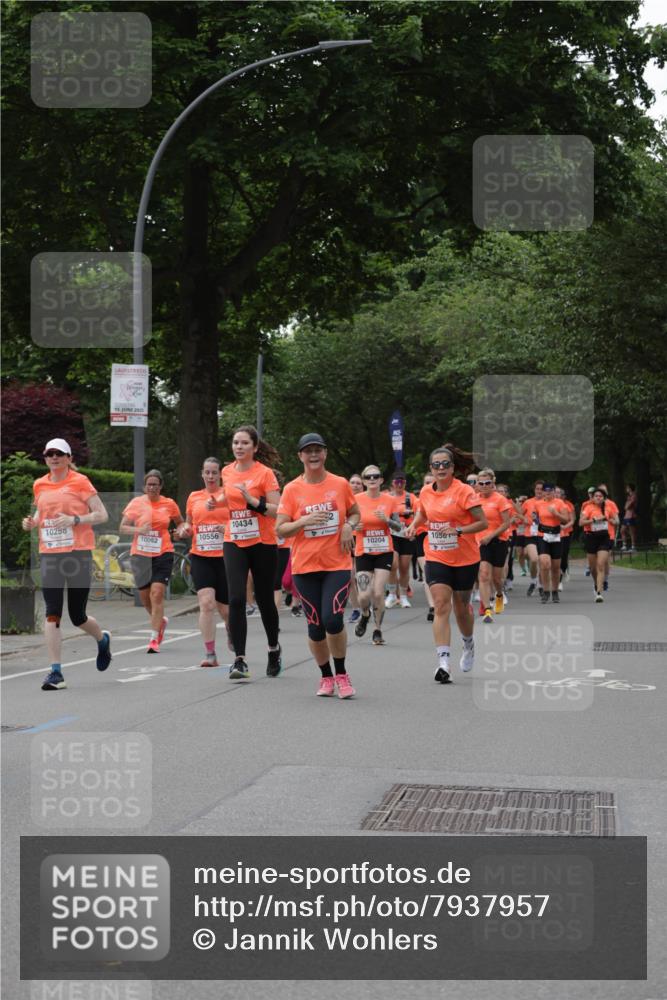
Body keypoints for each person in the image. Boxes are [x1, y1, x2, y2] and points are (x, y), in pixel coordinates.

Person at [22, 439, 113, 691]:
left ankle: (102, 638)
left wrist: (75, 519)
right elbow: (42, 513)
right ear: (45, 458)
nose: (54, 458)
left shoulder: (81, 482)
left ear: (69, 457)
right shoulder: (39, 484)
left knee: (77, 616)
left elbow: (102, 514)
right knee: (53, 611)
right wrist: (33, 522)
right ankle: (55, 672)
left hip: (78, 554)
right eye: (49, 454)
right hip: (50, 554)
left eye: (59, 454)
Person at [276, 433, 360, 699]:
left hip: (337, 562)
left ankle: (342, 674)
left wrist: (349, 525)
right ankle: (326, 677)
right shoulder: (292, 489)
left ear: (325, 454)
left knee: (333, 620)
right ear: (300, 456)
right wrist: (303, 521)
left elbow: (356, 512)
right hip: (305, 567)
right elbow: (281, 528)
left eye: (318, 450)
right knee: (315, 626)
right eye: (308, 451)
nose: (313, 455)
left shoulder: (340, 484)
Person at [406, 443, 487, 684]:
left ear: (453, 468)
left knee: (462, 609)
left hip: (465, 557)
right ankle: (443, 663)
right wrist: (414, 525)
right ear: (431, 468)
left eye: (446, 464)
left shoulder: (464, 492)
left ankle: (468, 644)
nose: (441, 468)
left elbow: (482, 523)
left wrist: (459, 530)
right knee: (441, 605)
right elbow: (423, 514)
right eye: (436, 465)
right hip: (436, 555)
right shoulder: (426, 492)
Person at [219, 425, 282, 680]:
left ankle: (273, 648)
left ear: (255, 447)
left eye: (244, 443)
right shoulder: (226, 472)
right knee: (235, 598)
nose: (239, 447)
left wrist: (254, 503)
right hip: (233, 539)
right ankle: (239, 660)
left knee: (265, 598)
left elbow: (278, 510)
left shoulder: (265, 474)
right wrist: (217, 502)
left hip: (262, 541)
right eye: (236, 443)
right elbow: (230, 499)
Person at [120, 469, 184, 653]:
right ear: (144, 487)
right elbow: (123, 527)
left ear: (161, 486)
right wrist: (138, 531)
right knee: (145, 598)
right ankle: (160, 620)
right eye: (149, 484)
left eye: (155, 484)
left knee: (157, 594)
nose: (152, 487)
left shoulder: (169, 503)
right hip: (140, 554)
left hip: (163, 552)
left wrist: (182, 530)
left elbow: (180, 523)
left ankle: (154, 639)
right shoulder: (136, 503)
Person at [176, 457, 230, 667]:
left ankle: (232, 633)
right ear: (202, 474)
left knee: (226, 611)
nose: (210, 476)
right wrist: (185, 530)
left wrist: (226, 529)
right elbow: (189, 524)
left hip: (226, 557)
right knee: (206, 603)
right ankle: (210, 653)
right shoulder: (194, 497)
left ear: (220, 475)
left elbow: (239, 523)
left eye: (214, 473)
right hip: (200, 556)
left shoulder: (228, 496)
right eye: (207, 472)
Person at [353, 465, 402, 645]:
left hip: (383, 551)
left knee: (378, 592)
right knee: (364, 596)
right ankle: (365, 615)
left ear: (381, 480)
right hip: (363, 551)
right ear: (364, 481)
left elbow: (399, 527)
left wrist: (386, 520)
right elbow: (346, 522)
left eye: (376, 476)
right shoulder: (355, 499)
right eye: (368, 477)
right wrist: (353, 527)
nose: (372, 479)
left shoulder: (389, 500)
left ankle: (377, 630)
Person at [475, 470, 512, 623]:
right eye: (481, 483)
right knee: (484, 575)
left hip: (498, 541)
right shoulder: (474, 499)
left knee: (497, 578)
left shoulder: (500, 500)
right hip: (481, 542)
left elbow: (506, 523)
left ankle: (498, 593)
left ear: (492, 484)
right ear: (477, 484)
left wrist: (490, 536)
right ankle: (487, 609)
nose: (484, 486)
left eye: (487, 483)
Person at [385, 470, 417, 608]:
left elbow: (419, 514)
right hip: (392, 534)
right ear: (392, 483)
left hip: (406, 534)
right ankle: (392, 594)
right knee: (393, 565)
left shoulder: (411, 497)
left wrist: (414, 528)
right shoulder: (386, 497)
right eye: (397, 482)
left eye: (402, 482)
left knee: (404, 568)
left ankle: (403, 596)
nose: (400, 484)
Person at [533, 483, 570, 604]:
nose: (548, 493)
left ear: (554, 492)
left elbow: (566, 520)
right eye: (545, 491)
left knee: (555, 567)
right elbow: (535, 517)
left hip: (556, 536)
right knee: (544, 564)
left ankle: (554, 591)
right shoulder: (538, 504)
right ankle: (545, 591)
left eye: (550, 491)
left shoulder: (560, 503)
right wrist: (535, 519)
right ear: (542, 492)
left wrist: (556, 513)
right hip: (542, 535)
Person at [579, 487, 618, 602]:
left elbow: (616, 521)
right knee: (592, 568)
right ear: (593, 497)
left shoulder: (608, 507)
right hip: (591, 537)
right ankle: (596, 583)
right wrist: (594, 520)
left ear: (604, 498)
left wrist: (610, 520)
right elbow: (581, 522)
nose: (598, 498)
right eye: (596, 496)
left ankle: (599, 593)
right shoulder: (588, 508)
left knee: (600, 564)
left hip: (604, 538)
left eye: (600, 496)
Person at [416, 472, 436, 621]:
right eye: (426, 482)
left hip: (440, 538)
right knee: (427, 572)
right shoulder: (420, 499)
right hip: (422, 538)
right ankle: (432, 606)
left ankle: (442, 601)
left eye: (431, 482)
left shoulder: (444, 498)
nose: (428, 484)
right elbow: (417, 518)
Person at [346, 473, 364, 624]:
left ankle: (366, 604)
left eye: (358, 483)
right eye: (353, 482)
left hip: (365, 540)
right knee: (350, 576)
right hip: (348, 539)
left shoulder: (366, 499)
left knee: (362, 576)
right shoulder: (343, 499)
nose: (356, 485)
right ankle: (356, 609)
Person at [521, 480, 544, 596]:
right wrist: (523, 519)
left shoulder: (547, 503)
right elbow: (518, 514)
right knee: (534, 559)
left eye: (541, 489)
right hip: (530, 535)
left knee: (542, 561)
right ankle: (533, 580)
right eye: (537, 489)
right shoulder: (528, 502)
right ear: (534, 490)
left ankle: (540, 584)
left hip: (544, 535)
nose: (539, 491)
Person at [555, 487, 576, 587]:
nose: (557, 494)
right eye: (555, 492)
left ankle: (563, 570)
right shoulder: (546, 504)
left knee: (563, 556)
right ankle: (556, 580)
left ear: (562, 495)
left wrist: (564, 527)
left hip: (565, 532)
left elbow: (572, 520)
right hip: (550, 534)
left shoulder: (567, 505)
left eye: (559, 493)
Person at [621, 483, 638, 552]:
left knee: (632, 532)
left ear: (630, 488)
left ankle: (633, 547)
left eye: (627, 488)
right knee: (622, 530)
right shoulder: (628, 496)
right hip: (626, 516)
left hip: (631, 515)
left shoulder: (634, 495)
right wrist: (627, 505)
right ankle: (624, 546)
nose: (626, 489)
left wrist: (627, 505)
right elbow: (625, 507)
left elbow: (628, 506)